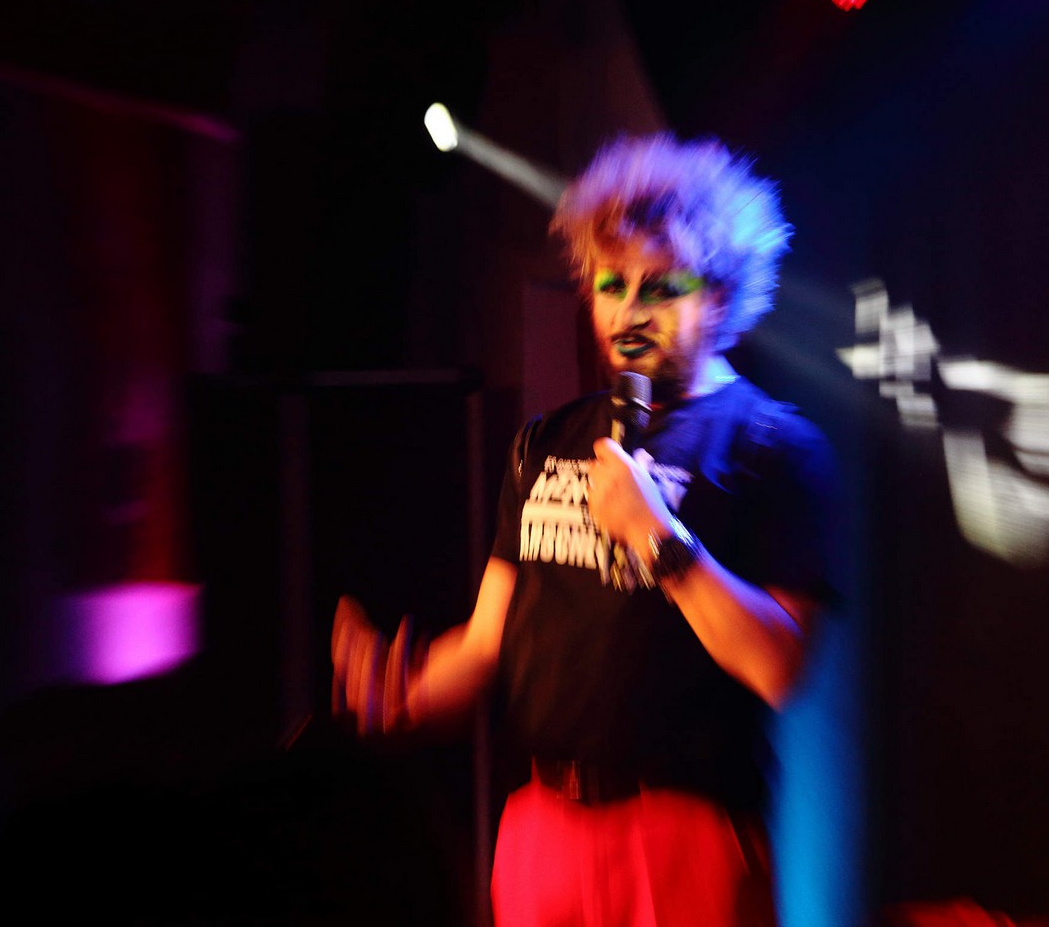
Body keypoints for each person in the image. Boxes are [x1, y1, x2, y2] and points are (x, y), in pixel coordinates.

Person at [332, 133, 838, 927]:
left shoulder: (774, 446)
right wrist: (407, 696)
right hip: (542, 828)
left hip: (684, 834)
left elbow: (778, 666)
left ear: (718, 297)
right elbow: (487, 644)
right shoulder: (545, 442)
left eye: (659, 286)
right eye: (612, 285)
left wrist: (660, 541)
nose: (630, 312)